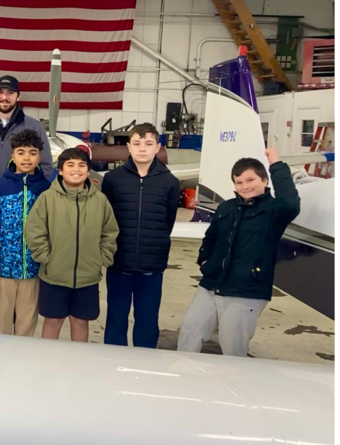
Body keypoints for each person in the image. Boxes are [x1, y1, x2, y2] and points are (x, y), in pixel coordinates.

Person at [177, 150, 300, 357]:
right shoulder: (226, 208)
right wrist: (206, 262)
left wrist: (277, 165)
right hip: (211, 286)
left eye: (251, 179)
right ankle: (186, 380)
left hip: (245, 291)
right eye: (239, 182)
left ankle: (233, 384)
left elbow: (290, 202)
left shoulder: (275, 211)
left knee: (233, 348)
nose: (245, 186)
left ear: (264, 180)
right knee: (189, 333)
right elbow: (210, 238)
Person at [0, 74, 54, 332]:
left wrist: (29, 187)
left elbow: (46, 165)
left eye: (10, 93)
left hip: (24, 205)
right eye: (0, 93)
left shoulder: (34, 126)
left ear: (18, 97)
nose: (5, 97)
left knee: (24, 298)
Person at [99, 123, 181, 349]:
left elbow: (168, 221)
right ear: (128, 147)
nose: (142, 149)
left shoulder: (169, 182)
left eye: (148, 144)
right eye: (136, 143)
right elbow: (107, 219)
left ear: (158, 147)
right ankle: (112, 362)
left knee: (147, 320)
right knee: (116, 316)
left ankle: (145, 366)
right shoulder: (113, 179)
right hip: (119, 262)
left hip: (151, 265)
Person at [25, 148, 118, 342]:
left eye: (81, 165)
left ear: (88, 170)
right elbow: (34, 230)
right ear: (60, 170)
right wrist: (46, 258)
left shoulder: (100, 200)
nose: (76, 169)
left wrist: (101, 258)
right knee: (53, 321)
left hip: (87, 277)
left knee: (80, 322)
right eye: (70, 165)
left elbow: (109, 232)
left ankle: (78, 366)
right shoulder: (47, 198)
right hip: (54, 275)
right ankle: (48, 366)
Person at [0, 130, 51, 337]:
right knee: (1, 317)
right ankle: (0, 359)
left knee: (28, 318)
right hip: (3, 268)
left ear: (39, 156)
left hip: (33, 268)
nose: (26, 157)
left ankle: (23, 360)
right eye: (21, 152)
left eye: (32, 152)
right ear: (13, 156)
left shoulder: (45, 189)